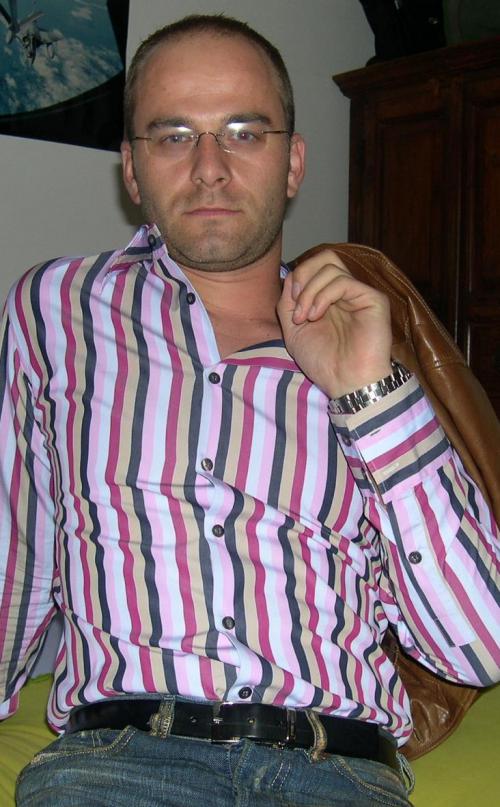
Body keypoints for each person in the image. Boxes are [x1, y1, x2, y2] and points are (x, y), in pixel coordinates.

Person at [0, 14, 498, 807]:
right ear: (132, 168)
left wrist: (368, 392)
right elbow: (18, 554)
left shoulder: (366, 341)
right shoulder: (54, 310)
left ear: (293, 161)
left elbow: (478, 645)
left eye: (244, 132)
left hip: (338, 771)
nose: (210, 168)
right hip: (114, 764)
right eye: (173, 136)